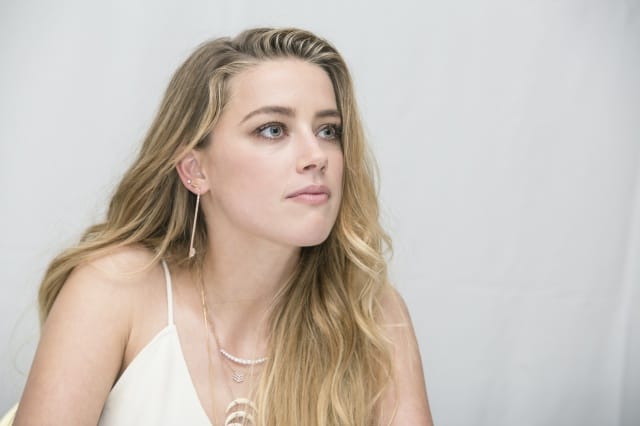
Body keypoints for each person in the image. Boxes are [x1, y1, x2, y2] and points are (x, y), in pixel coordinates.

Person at [13, 27, 433, 425]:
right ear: (195, 170)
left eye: (328, 130)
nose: (316, 156)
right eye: (273, 130)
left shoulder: (371, 313)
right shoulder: (113, 290)